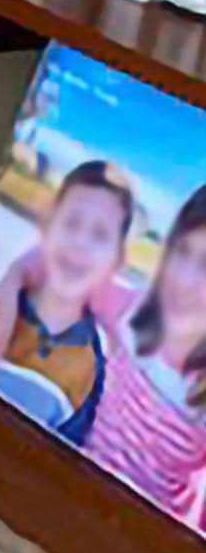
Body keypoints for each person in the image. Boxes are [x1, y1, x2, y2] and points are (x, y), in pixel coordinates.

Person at [0, 160, 134, 445]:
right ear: (46, 227)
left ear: (116, 261)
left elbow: (66, 457)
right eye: (71, 223)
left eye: (99, 235)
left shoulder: (91, 367)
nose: (80, 242)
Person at [84, 184, 206, 526]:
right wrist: (13, 282)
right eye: (182, 253)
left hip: (145, 529)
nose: (185, 280)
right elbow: (59, 274)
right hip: (77, 480)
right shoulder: (132, 313)